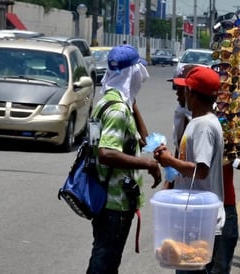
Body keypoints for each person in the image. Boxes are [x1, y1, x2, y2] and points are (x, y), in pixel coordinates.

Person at [86, 44, 162, 274]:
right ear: (132, 73)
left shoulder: (108, 101)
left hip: (104, 195)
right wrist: (148, 164)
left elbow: (142, 140)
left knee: (108, 261)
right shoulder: (117, 111)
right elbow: (106, 153)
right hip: (114, 202)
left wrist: (133, 102)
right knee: (104, 262)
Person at [164, 65, 239, 274]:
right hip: (194, 219)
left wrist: (169, 160)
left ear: (191, 92)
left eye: (185, 89)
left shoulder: (204, 126)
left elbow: (201, 170)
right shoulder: (200, 122)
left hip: (200, 222)